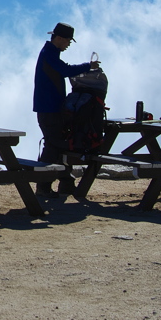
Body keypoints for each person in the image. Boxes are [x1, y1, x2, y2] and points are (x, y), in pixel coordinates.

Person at [33, 22, 100, 198]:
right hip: (50, 108)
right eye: (68, 40)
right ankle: (46, 185)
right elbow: (65, 70)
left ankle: (63, 183)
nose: (69, 44)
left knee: (55, 143)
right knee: (54, 144)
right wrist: (89, 66)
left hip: (49, 107)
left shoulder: (49, 53)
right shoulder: (49, 54)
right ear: (60, 38)